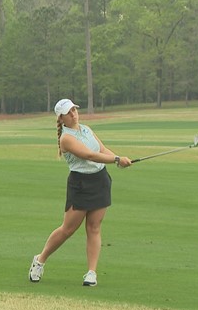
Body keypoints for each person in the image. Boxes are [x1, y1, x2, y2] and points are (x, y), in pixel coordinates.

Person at [29, 99, 132, 287]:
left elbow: (101, 149)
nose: (74, 114)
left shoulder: (86, 129)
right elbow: (89, 155)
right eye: (69, 112)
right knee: (68, 229)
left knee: (94, 227)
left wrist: (117, 159)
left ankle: (91, 273)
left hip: (100, 180)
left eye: (74, 110)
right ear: (61, 118)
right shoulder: (66, 138)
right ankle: (40, 259)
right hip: (81, 184)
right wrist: (116, 159)